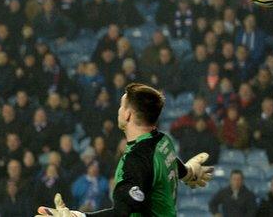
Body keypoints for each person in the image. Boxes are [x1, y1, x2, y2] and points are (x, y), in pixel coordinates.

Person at [36, 83, 214, 216]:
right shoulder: (163, 141)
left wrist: (78, 216)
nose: (119, 110)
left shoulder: (135, 160)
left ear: (128, 114)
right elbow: (170, 163)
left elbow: (122, 213)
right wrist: (189, 172)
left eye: (122, 106)